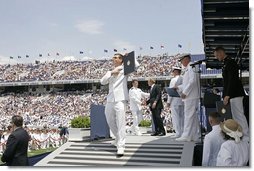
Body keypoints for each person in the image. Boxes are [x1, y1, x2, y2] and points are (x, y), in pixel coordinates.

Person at [100, 53, 139, 156]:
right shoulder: (110, 71)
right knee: (109, 120)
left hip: (121, 99)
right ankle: (117, 139)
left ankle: (121, 145)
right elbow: (102, 82)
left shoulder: (125, 69)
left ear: (122, 60)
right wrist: (112, 72)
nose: (116, 59)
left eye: (119, 57)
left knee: (121, 123)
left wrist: (129, 57)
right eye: (115, 57)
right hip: (110, 99)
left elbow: (137, 66)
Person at [214, 47, 249, 140]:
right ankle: (240, 134)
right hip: (232, 95)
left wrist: (228, 95)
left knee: (239, 115)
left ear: (221, 53)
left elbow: (232, 80)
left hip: (235, 94)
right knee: (236, 116)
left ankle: (246, 136)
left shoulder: (230, 62)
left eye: (217, 55)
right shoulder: (226, 63)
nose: (217, 57)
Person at [175, 53, 200, 142]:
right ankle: (194, 135)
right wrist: (179, 87)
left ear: (186, 59)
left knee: (188, 116)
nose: (181, 62)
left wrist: (185, 92)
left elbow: (192, 81)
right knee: (192, 117)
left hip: (191, 96)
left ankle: (186, 135)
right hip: (191, 95)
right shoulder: (189, 68)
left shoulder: (191, 67)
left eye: (181, 60)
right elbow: (187, 83)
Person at [167, 66, 184, 138]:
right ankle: (183, 132)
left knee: (176, 118)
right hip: (182, 100)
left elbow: (171, 92)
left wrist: (168, 101)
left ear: (176, 71)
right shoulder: (183, 78)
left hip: (174, 101)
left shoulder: (173, 80)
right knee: (182, 117)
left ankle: (178, 133)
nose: (173, 73)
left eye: (173, 71)